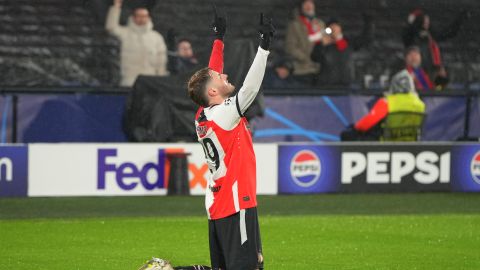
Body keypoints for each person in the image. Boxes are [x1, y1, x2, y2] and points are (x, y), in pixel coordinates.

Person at [187, 7, 274, 270]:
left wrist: (218, 38)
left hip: (218, 204)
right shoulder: (225, 114)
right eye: (219, 78)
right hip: (237, 204)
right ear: (213, 91)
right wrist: (264, 47)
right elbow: (250, 88)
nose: (224, 74)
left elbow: (212, 71)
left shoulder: (204, 113)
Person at [341, 70, 426, 141]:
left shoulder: (387, 102)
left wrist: (355, 128)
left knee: (348, 135)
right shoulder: (420, 105)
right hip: (410, 143)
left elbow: (365, 124)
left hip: (386, 143)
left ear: (394, 85)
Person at [106, 0, 168, 86]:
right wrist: (116, 7)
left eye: (144, 16)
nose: (141, 19)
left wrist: (161, 81)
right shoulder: (125, 33)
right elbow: (111, 27)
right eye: (139, 16)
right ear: (133, 17)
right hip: (129, 81)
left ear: (148, 17)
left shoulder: (157, 37)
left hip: (150, 82)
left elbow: (161, 62)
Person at [402, 8, 469, 88]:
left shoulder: (431, 35)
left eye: (427, 20)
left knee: (439, 87)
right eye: (424, 20)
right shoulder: (411, 36)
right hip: (418, 72)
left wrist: (459, 20)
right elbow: (407, 35)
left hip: (432, 71)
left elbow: (449, 32)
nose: (427, 23)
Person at [311, 16, 373, 86]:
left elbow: (365, 39)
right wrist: (322, 45)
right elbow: (314, 57)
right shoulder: (323, 43)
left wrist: (368, 24)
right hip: (327, 84)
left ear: (340, 28)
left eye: (336, 26)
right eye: (331, 27)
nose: (334, 29)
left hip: (345, 83)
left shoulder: (348, 42)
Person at [285, 0, 324, 85]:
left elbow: (324, 43)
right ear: (301, 7)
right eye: (306, 4)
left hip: (320, 71)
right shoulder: (294, 25)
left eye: (311, 3)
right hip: (302, 70)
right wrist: (306, 58)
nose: (309, 6)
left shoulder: (320, 24)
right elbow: (290, 47)